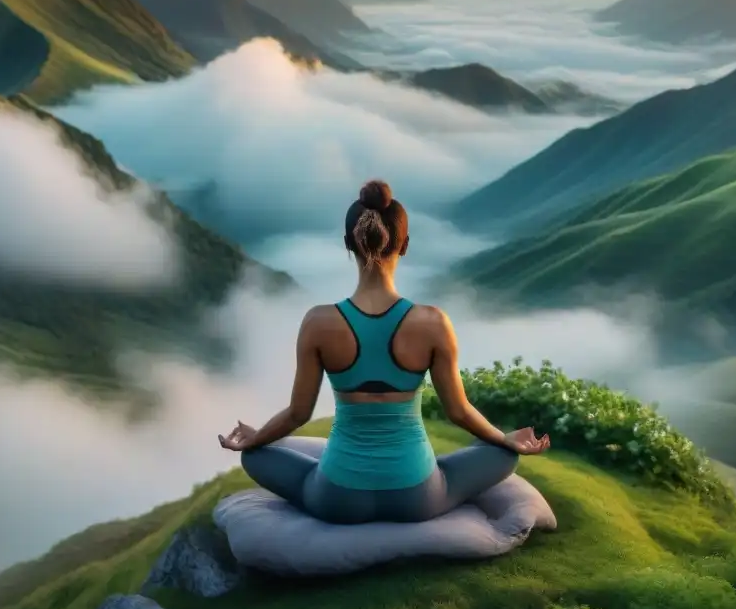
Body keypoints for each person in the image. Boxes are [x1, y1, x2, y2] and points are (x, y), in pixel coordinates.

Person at [218, 179, 550, 525]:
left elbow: (298, 414)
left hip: (336, 498)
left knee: (254, 457)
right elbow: (460, 412)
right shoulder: (434, 322)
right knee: (503, 456)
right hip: (418, 497)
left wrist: (257, 438)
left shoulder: (318, 322)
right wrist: (505, 439)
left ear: (348, 244)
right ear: (404, 245)